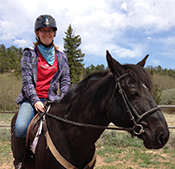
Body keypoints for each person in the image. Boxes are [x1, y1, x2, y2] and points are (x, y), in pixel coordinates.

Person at [11, 14, 70, 169]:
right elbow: (27, 81)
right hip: (31, 99)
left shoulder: (62, 56)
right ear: (37, 33)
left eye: (50, 30)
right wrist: (35, 100)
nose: (47, 33)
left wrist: (63, 98)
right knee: (21, 127)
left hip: (54, 99)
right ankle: (19, 161)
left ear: (55, 33)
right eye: (43, 30)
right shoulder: (29, 53)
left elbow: (65, 81)